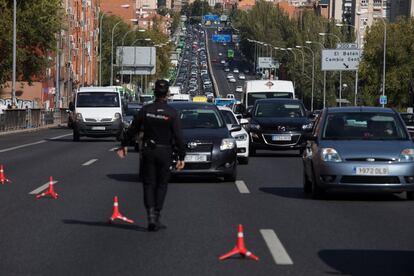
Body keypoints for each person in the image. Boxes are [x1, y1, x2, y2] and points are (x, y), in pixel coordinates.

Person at [117, 79, 186, 232]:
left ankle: (150, 217)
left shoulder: (146, 110)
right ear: (167, 93)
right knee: (162, 184)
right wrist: (181, 157)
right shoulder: (172, 113)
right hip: (165, 152)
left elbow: (133, 129)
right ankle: (157, 214)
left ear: (154, 92)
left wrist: (124, 144)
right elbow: (179, 137)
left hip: (148, 151)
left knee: (149, 183)